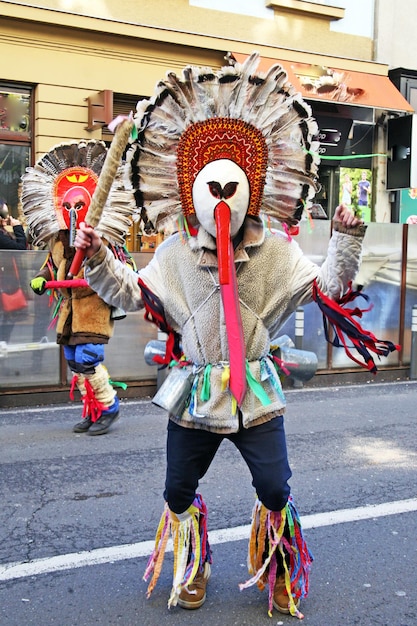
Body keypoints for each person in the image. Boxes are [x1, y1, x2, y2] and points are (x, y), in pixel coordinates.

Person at [75, 54, 396, 618]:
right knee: (177, 491)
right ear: (191, 190)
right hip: (196, 392)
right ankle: (193, 568)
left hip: (256, 391)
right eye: (211, 185)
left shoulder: (275, 251)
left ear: (252, 186)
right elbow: (130, 292)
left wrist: (346, 240)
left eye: (232, 184)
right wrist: (99, 257)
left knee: (275, 488)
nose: (222, 195)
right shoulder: (174, 253)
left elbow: (326, 287)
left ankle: (275, 567)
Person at [21, 140, 135, 435]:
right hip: (69, 312)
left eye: (79, 205)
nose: (72, 211)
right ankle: (92, 410)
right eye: (67, 206)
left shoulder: (104, 239)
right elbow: (51, 265)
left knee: (87, 357)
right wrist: (42, 278)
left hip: (93, 309)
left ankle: (109, 407)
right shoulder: (58, 240)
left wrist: (101, 269)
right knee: (74, 360)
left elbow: (124, 269)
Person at [0, 199, 27, 343]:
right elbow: (20, 248)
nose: (5, 219)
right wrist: (17, 227)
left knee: (9, 317)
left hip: (6, 283)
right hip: (4, 284)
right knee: (8, 317)